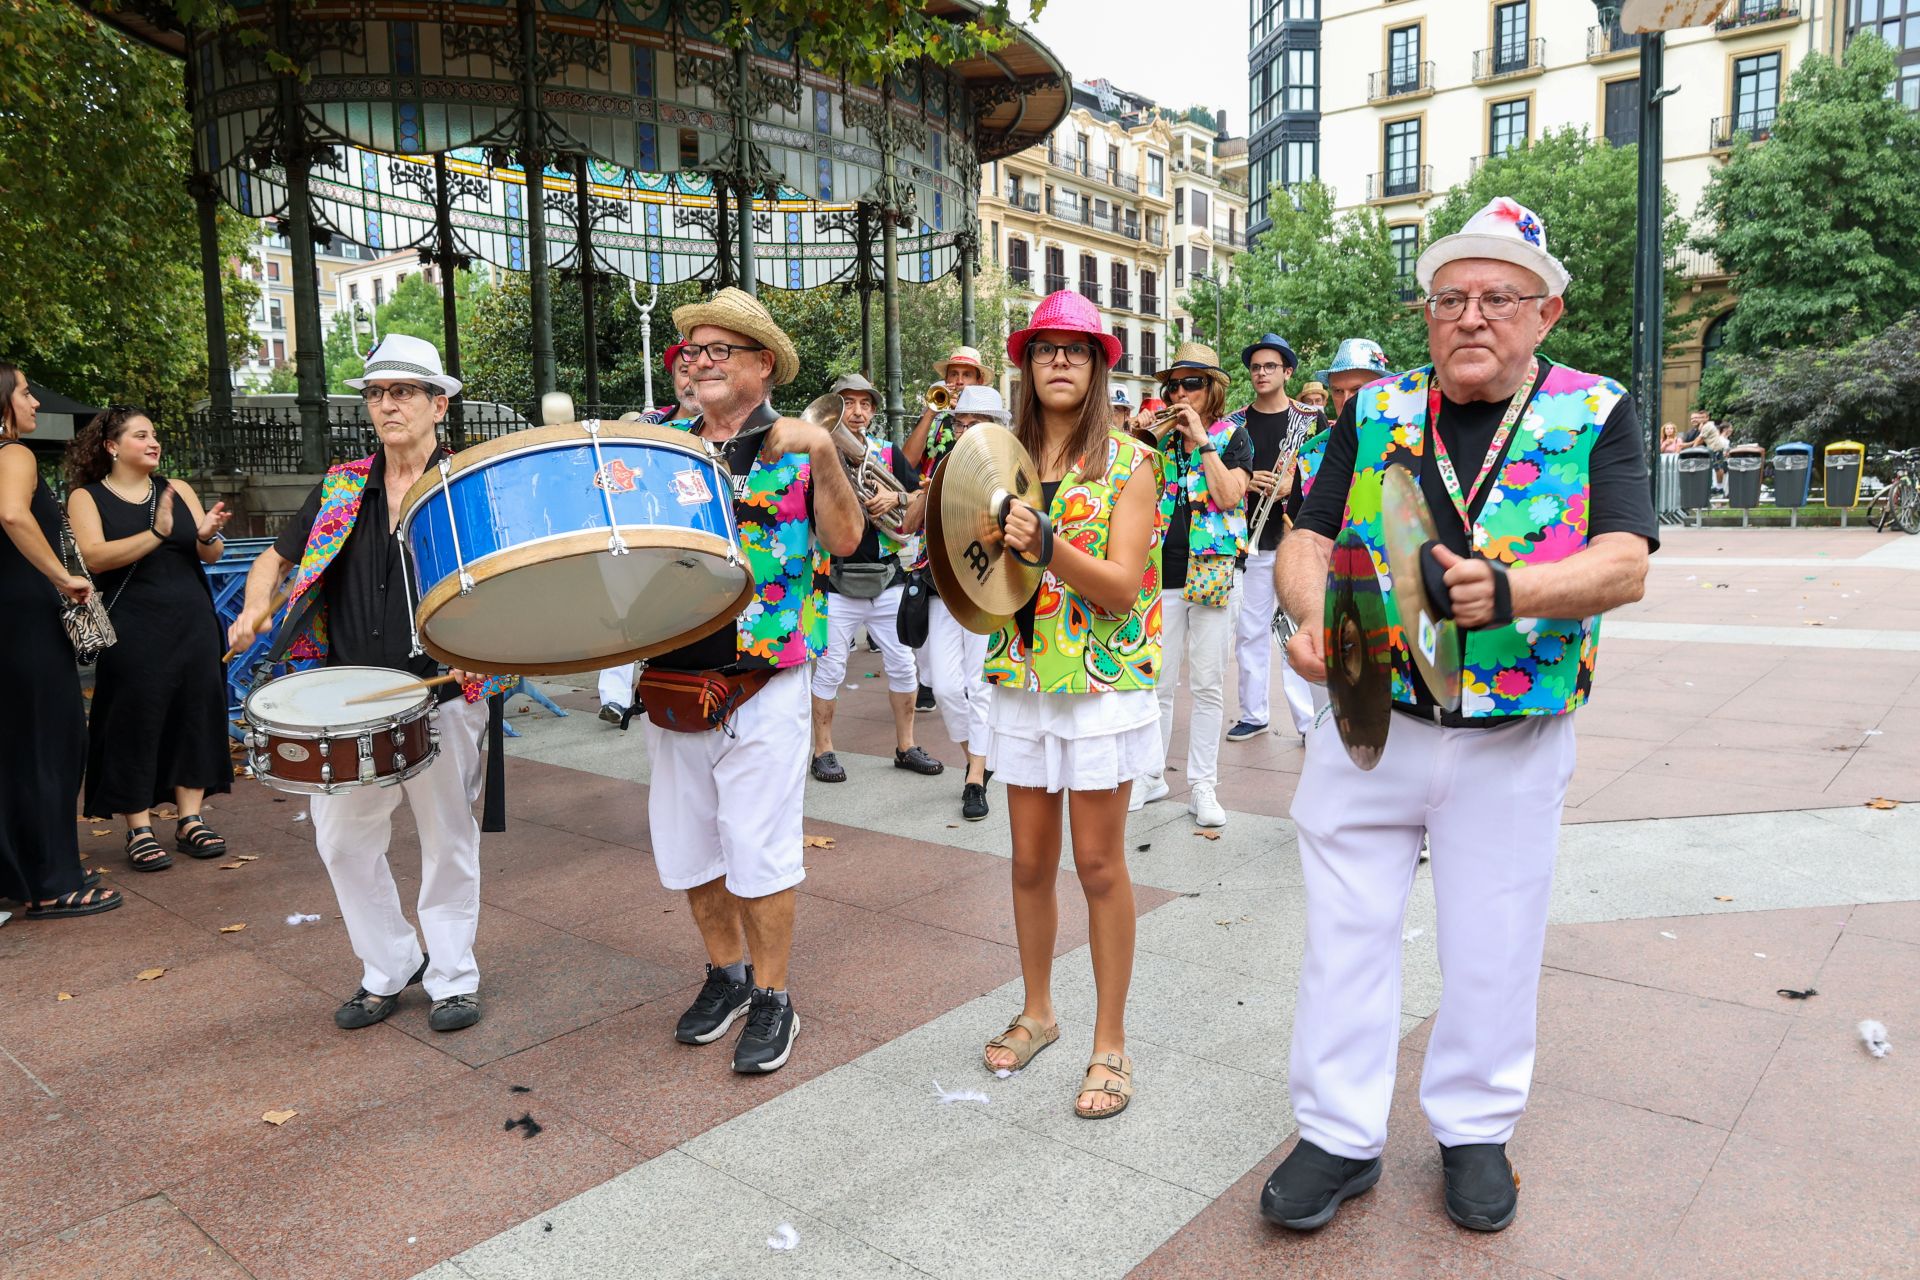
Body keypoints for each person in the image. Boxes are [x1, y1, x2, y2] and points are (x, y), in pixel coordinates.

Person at [1266, 197, 1656, 1235]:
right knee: (1344, 934)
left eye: (1499, 297)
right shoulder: (1374, 408)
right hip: (1371, 720)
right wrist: (1311, 618)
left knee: (1494, 935)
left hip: (1513, 736)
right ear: (1427, 313)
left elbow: (1625, 563)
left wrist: (1513, 592)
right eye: (1450, 298)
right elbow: (1306, 536)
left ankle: (1475, 1127)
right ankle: (1338, 1135)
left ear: (1546, 312)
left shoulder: (1596, 409)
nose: (1472, 316)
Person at [228, 334, 508, 1033]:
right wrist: (257, 605)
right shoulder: (342, 484)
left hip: (442, 690)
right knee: (342, 841)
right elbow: (276, 557)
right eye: (377, 393)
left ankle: (452, 976)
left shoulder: (467, 480)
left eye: (404, 391)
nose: (388, 405)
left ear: (439, 403)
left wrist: (490, 645)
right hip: (350, 697)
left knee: (448, 841)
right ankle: (389, 963)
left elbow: (506, 579)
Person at [637, 288, 863, 1074]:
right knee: (691, 850)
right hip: (673, 674)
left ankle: (773, 998)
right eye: (691, 351)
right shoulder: (659, 440)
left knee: (760, 852)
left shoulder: (798, 441)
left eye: (717, 350)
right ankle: (726, 978)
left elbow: (845, 537)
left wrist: (827, 452)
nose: (698, 361)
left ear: (762, 365)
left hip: (764, 679)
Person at [978, 289, 1166, 1118]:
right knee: (1025, 863)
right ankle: (1039, 1011)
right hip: (1021, 675)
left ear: (1097, 367)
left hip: (1097, 683)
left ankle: (1111, 1041)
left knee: (1096, 865)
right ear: (1026, 364)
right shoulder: (992, 461)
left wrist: (1045, 544)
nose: (1060, 360)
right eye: (1046, 347)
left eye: (1077, 349)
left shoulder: (1131, 463)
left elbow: (1124, 591)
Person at [66, 407, 234, 871]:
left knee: (194, 713)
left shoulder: (177, 489)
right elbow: (96, 558)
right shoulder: (88, 496)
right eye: (141, 435)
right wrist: (157, 532)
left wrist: (206, 535)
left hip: (192, 620)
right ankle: (138, 826)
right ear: (112, 446)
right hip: (133, 625)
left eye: (155, 434)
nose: (153, 442)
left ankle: (190, 819)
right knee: (134, 719)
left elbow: (211, 554)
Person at [0, 363, 122, 920]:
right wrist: (62, 575)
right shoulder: (14, 454)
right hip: (25, 622)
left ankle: (25, 872)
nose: (32, 403)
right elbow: (11, 514)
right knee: (51, 747)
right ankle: (54, 883)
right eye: (24, 393)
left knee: (14, 751)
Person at [1127, 343, 1252, 828]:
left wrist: (1202, 439)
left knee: (1207, 685)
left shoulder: (1233, 436)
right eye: (1172, 385)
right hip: (1158, 573)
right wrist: (1139, 438)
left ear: (1212, 388)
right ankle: (1150, 774)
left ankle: (1202, 785)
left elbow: (1228, 494)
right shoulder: (1158, 439)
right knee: (1155, 684)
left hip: (1214, 573)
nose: (1179, 392)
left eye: (1190, 383)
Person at [809, 372, 943, 784]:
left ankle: (906, 746)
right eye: (848, 403)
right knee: (830, 669)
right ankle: (823, 750)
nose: (858, 412)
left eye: (865, 404)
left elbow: (924, 494)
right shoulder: (816, 454)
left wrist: (897, 498)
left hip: (887, 577)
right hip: (836, 578)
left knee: (904, 666)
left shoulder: (886, 453)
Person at [902, 383, 1009, 821]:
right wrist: (925, 493)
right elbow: (908, 524)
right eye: (960, 422)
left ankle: (974, 778)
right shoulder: (942, 464)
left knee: (980, 685)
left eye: (974, 423)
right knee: (944, 686)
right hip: (941, 585)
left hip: (987, 587)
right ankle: (976, 758)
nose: (964, 429)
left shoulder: (1006, 467)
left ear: (994, 428)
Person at [1226, 334, 1325, 744]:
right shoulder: (1234, 423)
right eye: (1255, 367)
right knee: (1250, 630)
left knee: (1298, 632)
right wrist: (1247, 481)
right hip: (1250, 539)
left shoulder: (1310, 419)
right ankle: (1253, 713)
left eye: (1270, 366)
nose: (1261, 373)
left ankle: (1311, 723)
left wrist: (1292, 482)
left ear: (1287, 372)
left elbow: (1325, 477)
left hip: (1295, 540)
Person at [601, 344, 702, 724]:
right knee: (629, 605)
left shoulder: (727, 426)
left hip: (702, 540)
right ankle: (613, 697)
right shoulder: (651, 425)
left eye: (698, 371)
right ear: (673, 379)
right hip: (654, 533)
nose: (692, 381)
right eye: (683, 372)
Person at [906, 345, 991, 715]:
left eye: (965, 375)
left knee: (978, 675)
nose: (956, 381)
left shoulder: (989, 428)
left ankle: (979, 761)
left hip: (980, 558)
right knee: (944, 680)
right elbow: (907, 464)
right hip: (935, 553)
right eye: (951, 374)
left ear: (978, 381)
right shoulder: (941, 423)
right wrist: (932, 409)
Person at [1311, 338, 1394, 423]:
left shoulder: (1403, 432)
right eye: (1338, 391)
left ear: (1382, 390)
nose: (1346, 401)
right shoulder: (1326, 436)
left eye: (1357, 390)